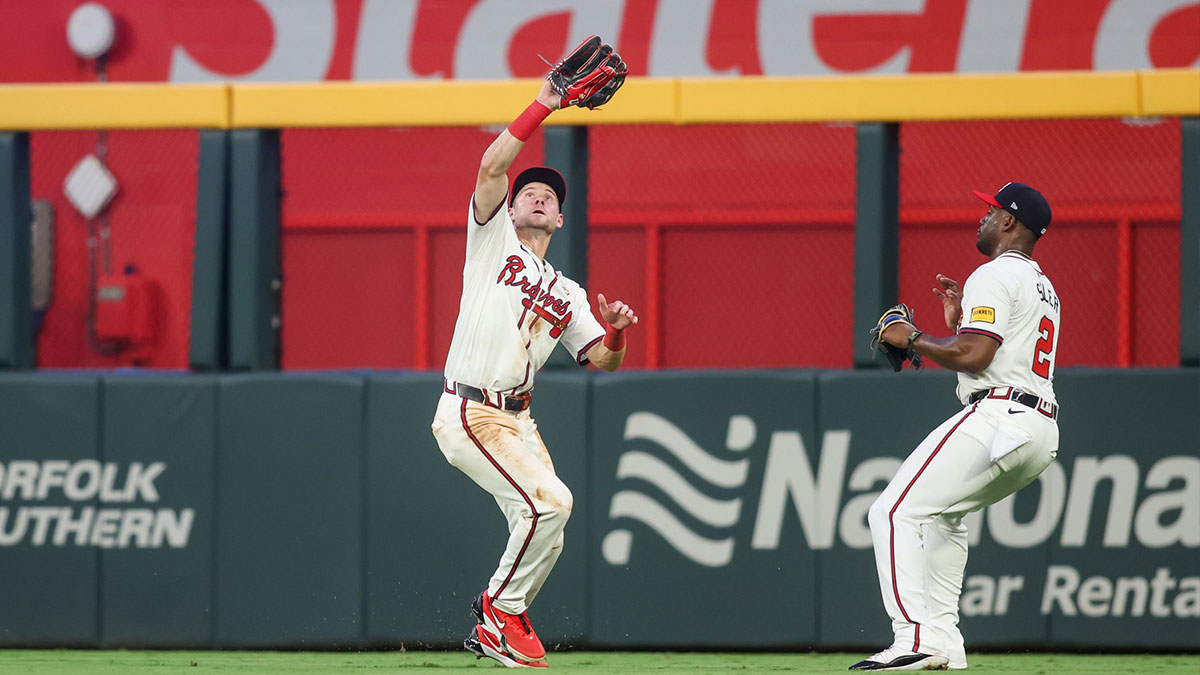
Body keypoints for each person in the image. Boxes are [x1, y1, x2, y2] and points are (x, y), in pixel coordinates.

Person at [430, 40, 635, 670]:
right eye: (529, 193)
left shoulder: (568, 290)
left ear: (562, 219)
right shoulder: (492, 244)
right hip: (469, 408)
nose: (539, 196)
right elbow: (493, 168)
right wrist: (545, 102)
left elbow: (600, 359)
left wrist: (618, 333)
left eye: (550, 195)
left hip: (518, 417)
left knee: (546, 516)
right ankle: (499, 611)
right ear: (511, 209)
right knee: (553, 503)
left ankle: (500, 614)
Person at [852, 182, 1061, 671]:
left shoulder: (994, 273)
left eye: (991, 210)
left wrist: (918, 336)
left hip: (1000, 415)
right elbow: (983, 350)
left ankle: (913, 637)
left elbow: (975, 353)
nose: (982, 217)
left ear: (1010, 222)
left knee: (892, 512)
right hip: (1038, 428)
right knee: (944, 519)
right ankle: (944, 640)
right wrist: (960, 322)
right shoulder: (1041, 284)